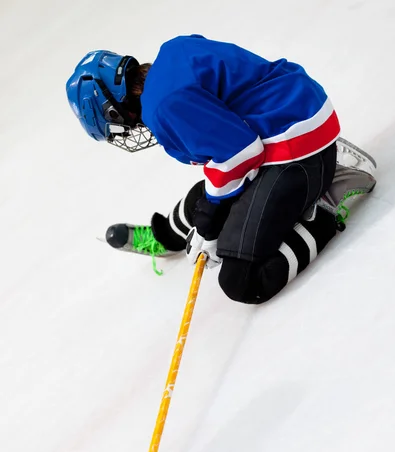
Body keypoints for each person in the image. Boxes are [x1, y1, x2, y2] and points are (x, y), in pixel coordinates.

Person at [66, 35, 376, 303]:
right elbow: (230, 152)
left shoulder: (162, 106)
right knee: (208, 197)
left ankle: (327, 200)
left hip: (300, 153)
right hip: (294, 123)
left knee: (241, 280)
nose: (129, 129)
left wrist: (211, 224)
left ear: (115, 108)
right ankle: (169, 237)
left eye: (118, 125)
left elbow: (241, 153)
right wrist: (209, 213)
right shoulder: (173, 54)